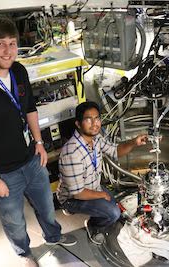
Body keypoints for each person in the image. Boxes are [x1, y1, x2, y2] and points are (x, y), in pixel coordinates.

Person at [0, 19, 76, 267]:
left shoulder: (18, 71)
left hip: (31, 159)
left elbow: (29, 108)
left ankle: (53, 236)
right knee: (14, 221)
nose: (8, 50)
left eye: (12, 44)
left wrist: (40, 142)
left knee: (46, 207)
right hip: (2, 173)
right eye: (1, 44)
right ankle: (23, 254)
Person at [57, 101, 147, 245]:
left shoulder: (96, 138)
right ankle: (92, 226)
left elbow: (115, 151)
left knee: (114, 206)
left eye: (97, 118)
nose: (95, 123)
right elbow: (78, 193)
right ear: (78, 124)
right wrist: (101, 194)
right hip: (73, 197)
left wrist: (134, 142)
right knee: (113, 213)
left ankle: (94, 208)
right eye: (88, 119)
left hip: (92, 187)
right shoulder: (71, 152)